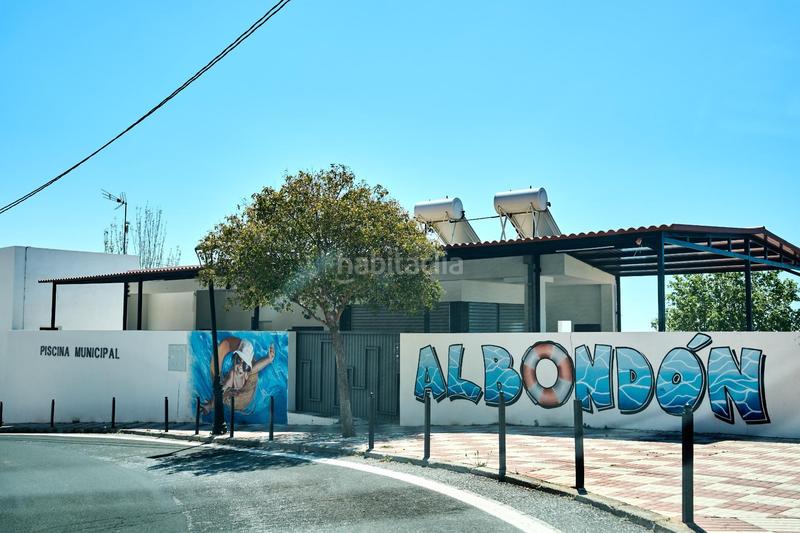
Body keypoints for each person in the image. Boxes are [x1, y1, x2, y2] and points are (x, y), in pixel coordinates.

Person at [201, 337, 275, 414]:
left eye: (244, 365)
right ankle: (209, 405)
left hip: (242, 393)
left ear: (247, 367)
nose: (240, 366)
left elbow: (257, 367)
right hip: (231, 390)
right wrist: (211, 404)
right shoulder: (232, 374)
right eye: (238, 361)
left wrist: (268, 359)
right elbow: (222, 389)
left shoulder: (246, 373)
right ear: (234, 360)